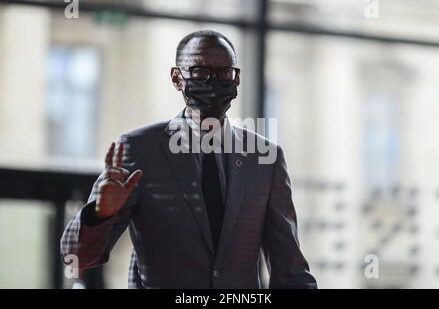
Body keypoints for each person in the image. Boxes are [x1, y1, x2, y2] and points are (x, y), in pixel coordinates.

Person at [60, 30, 317, 289]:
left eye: (224, 73)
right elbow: (77, 257)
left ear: (236, 79)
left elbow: (290, 272)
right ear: (176, 78)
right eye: (199, 72)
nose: (213, 82)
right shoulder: (140, 150)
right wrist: (99, 214)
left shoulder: (264, 159)